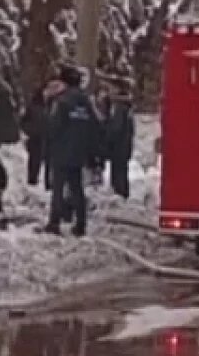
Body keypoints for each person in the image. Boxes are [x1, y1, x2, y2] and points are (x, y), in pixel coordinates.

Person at [44, 65, 101, 237]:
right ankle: (80, 224)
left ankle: (55, 223)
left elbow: (53, 127)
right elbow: (95, 127)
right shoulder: (86, 102)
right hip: (78, 153)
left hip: (62, 151)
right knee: (77, 189)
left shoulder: (61, 102)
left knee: (59, 188)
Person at [104, 89, 135, 200]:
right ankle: (123, 192)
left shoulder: (120, 109)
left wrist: (107, 139)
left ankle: (119, 194)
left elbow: (115, 129)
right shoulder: (128, 110)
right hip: (125, 146)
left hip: (118, 147)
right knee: (123, 171)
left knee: (117, 172)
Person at [19, 83, 52, 187]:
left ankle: (49, 184)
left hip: (50, 137)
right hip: (35, 138)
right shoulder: (33, 105)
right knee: (34, 160)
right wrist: (31, 130)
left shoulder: (55, 105)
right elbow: (23, 122)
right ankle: (32, 181)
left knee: (50, 161)